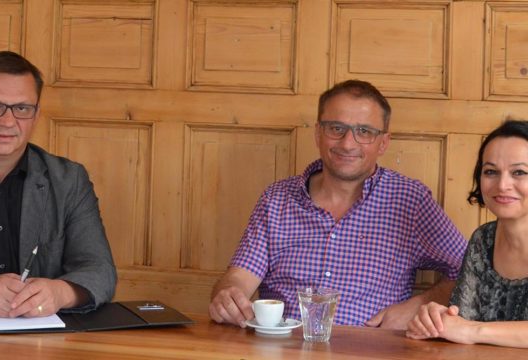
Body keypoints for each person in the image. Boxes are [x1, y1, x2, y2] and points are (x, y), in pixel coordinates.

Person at [209, 80, 467, 329]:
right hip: (282, 349)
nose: (347, 143)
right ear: (318, 133)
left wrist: (419, 305)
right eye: (336, 128)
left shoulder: (410, 201)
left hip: (369, 351)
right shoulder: (277, 199)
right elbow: (239, 278)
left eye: (364, 131)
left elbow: (470, 270)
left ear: (383, 143)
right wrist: (227, 295)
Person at [0, 51, 116, 318]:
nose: (8, 121)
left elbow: (100, 270)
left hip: (43, 347)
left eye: (22, 109)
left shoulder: (68, 180)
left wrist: (60, 292)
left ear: (36, 115)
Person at [407, 120, 528, 348]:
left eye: (519, 172)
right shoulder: (483, 239)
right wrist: (435, 319)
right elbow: (460, 322)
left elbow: (467, 329)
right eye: (491, 171)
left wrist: (473, 331)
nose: (502, 185)